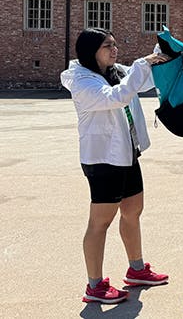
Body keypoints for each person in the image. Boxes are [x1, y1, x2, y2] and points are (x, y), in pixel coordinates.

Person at [60, 28, 170, 304]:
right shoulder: (82, 81)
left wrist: (159, 58)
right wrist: (142, 64)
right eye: (107, 46)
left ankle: (136, 270)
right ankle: (94, 286)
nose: (114, 49)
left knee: (133, 211)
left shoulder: (116, 71)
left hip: (127, 153)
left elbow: (140, 82)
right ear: (90, 51)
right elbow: (116, 97)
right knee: (101, 222)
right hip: (103, 160)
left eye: (115, 44)